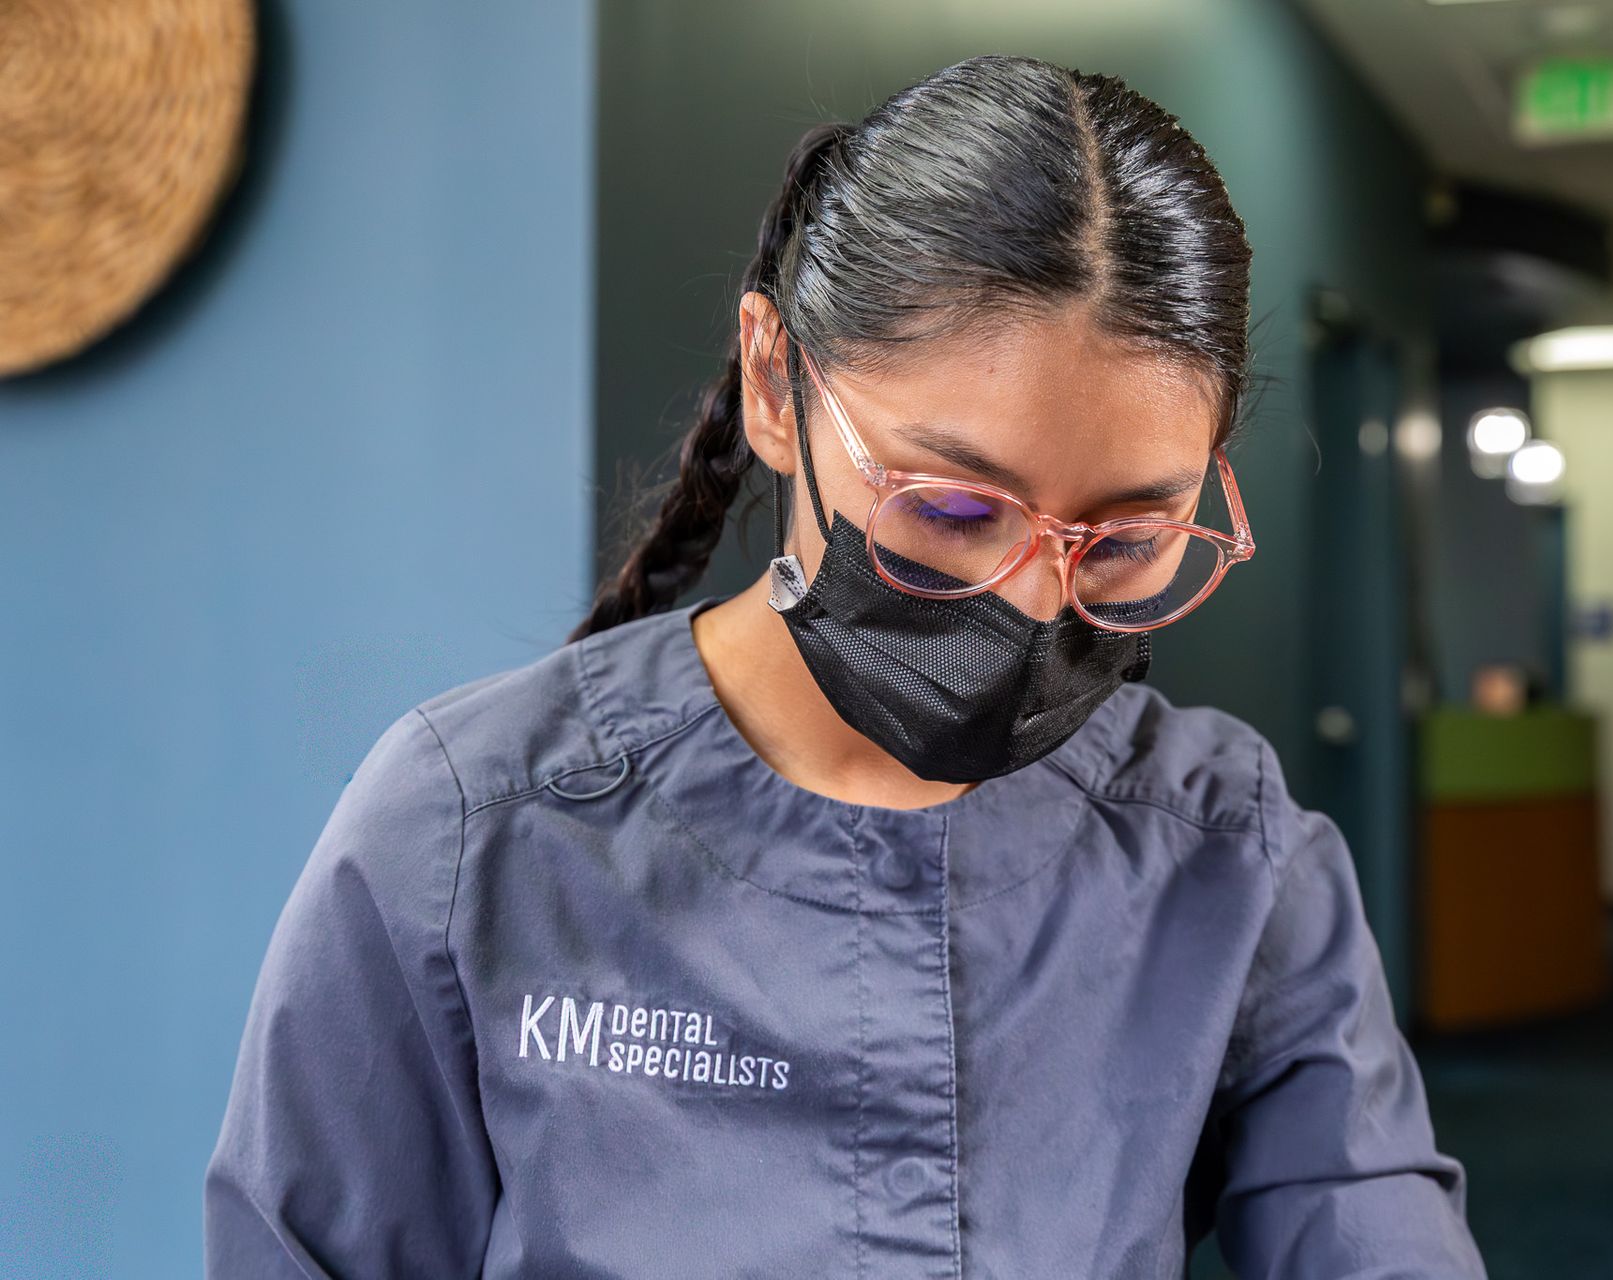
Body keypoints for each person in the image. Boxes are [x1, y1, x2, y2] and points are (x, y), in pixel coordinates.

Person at [204, 53, 1485, 1279]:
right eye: (956, 510)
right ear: (775, 382)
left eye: (1124, 539)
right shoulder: (470, 831)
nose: (1035, 603)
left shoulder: (1229, 856)